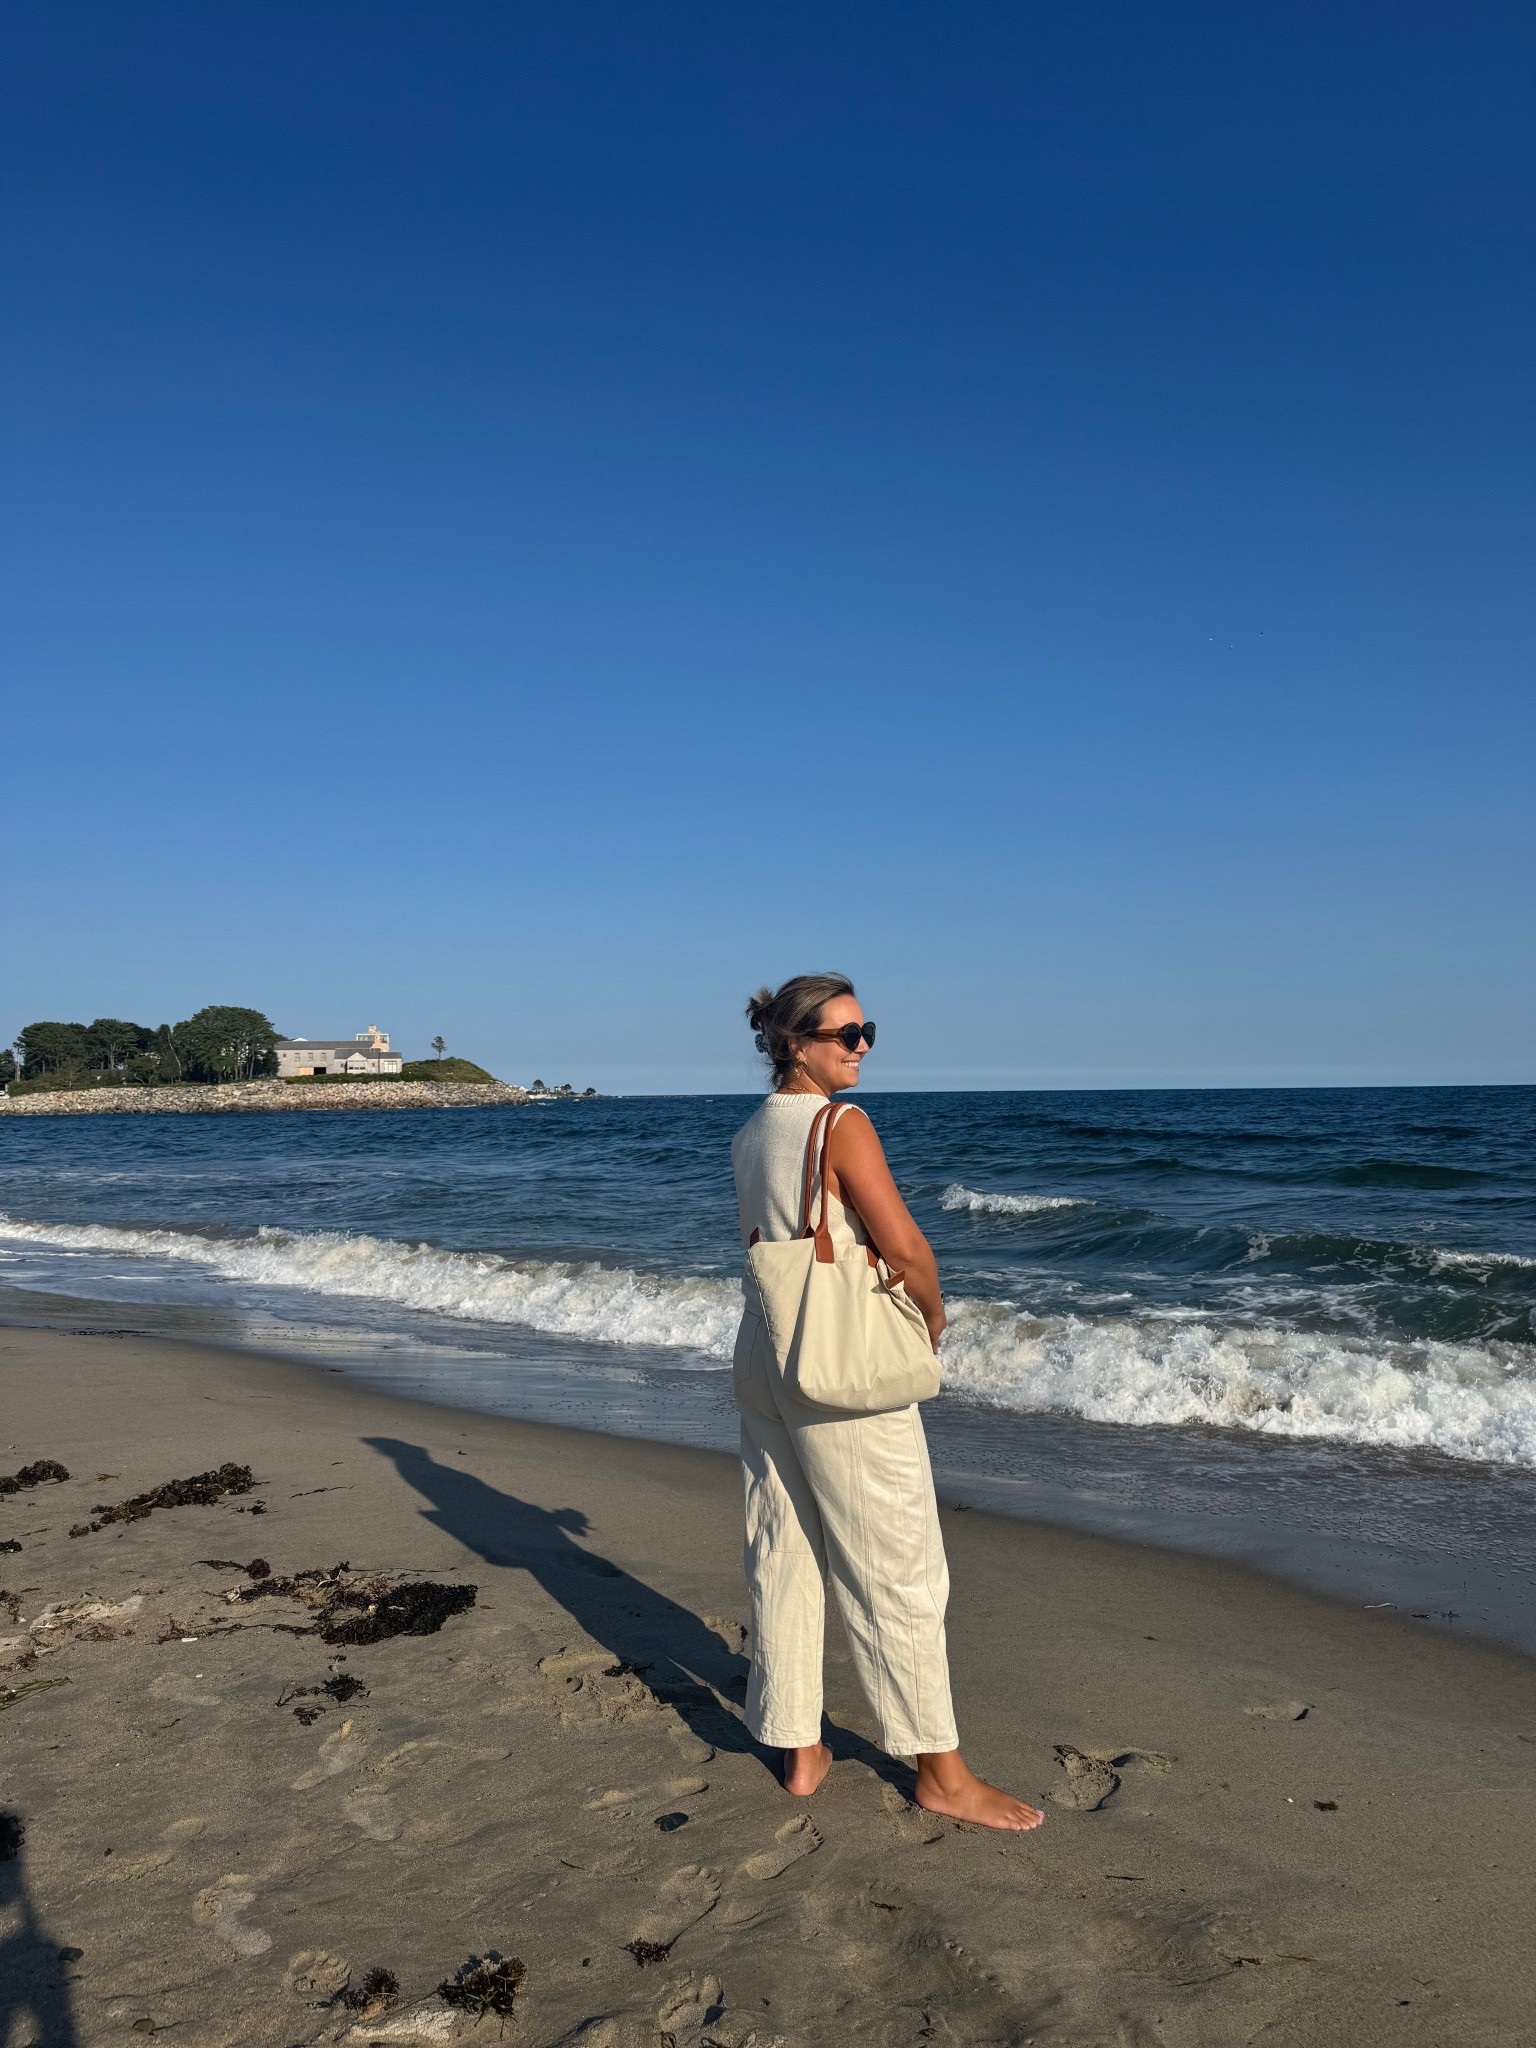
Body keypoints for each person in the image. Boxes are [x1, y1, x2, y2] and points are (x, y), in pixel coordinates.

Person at [731, 972, 1044, 1831]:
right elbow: (905, 1242)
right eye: (844, 1034)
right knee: (896, 1563)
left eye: (867, 1031)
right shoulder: (841, 1123)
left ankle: (800, 1750)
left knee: (783, 1545)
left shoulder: (754, 1131)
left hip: (765, 1349)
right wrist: (932, 1314)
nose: (861, 1046)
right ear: (794, 1043)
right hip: (838, 1364)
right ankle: (939, 1773)